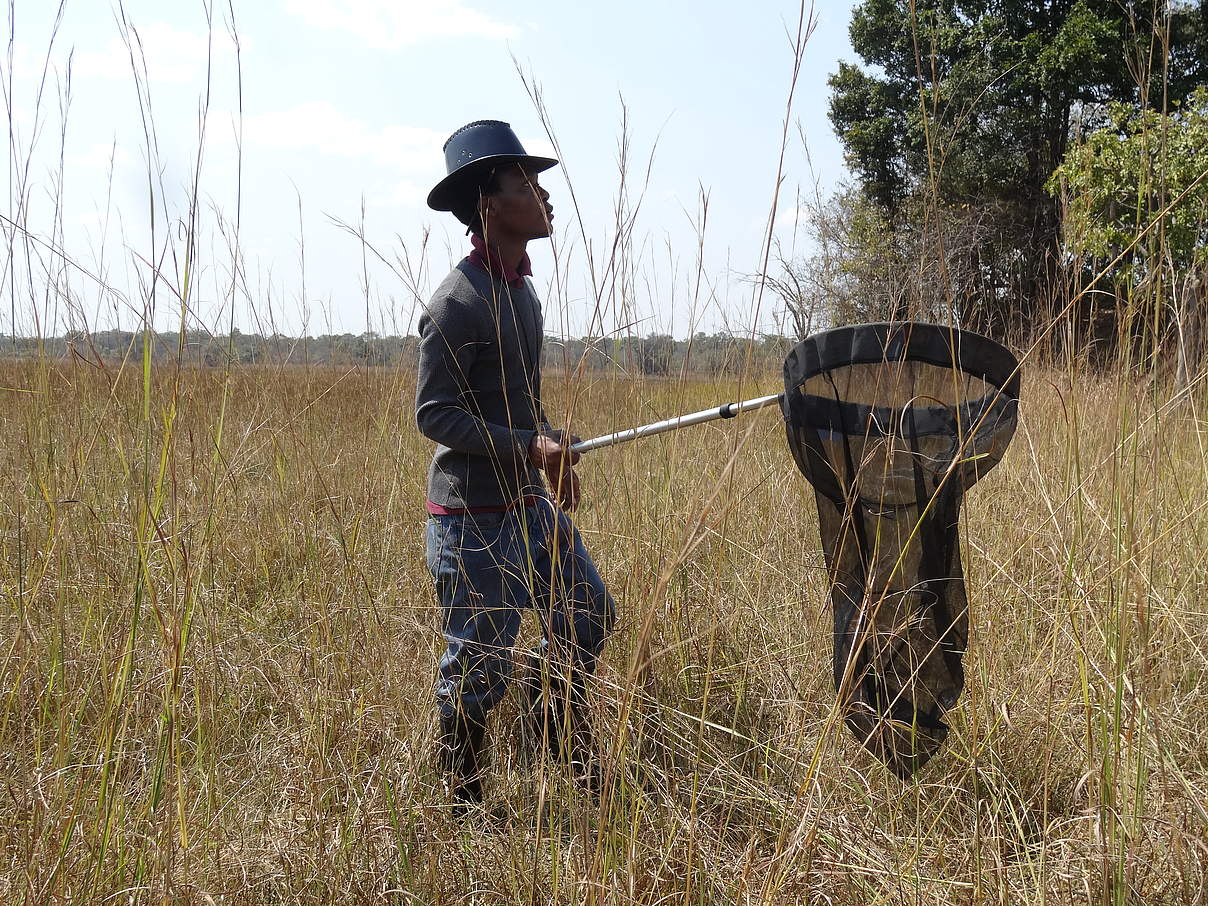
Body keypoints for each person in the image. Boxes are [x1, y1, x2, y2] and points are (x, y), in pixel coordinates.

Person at [416, 120, 615, 809]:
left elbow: (518, 407)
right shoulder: (455, 303)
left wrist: (552, 444)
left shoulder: (522, 292)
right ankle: (463, 802)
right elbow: (434, 416)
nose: (546, 197)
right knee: (478, 666)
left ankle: (553, 721)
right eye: (529, 184)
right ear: (491, 203)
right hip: (471, 517)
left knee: (588, 614)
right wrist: (527, 446)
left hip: (526, 501)